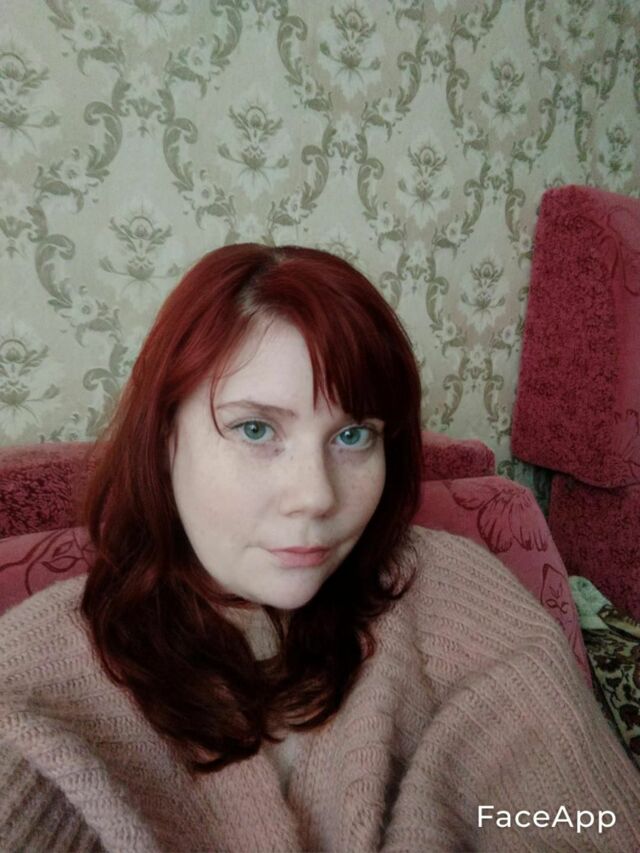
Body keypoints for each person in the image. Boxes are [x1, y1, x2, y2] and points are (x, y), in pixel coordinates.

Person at [0, 243, 638, 852]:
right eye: (257, 429)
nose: (316, 496)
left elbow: (582, 819)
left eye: (353, 435)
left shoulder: (453, 594)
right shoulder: (33, 678)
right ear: (165, 438)